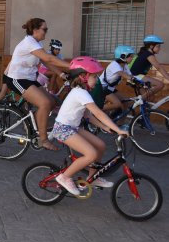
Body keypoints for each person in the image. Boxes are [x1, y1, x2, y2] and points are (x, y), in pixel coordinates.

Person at [49, 56, 129, 195]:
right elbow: (98, 112)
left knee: (100, 145)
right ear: (83, 76)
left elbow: (88, 116)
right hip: (63, 129)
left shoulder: (83, 92)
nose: (97, 79)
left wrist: (105, 127)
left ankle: (92, 177)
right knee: (91, 154)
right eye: (94, 76)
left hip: (73, 127)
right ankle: (64, 177)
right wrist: (118, 129)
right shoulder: (80, 92)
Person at [4, 18, 70, 151]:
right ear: (35, 30)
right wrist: (73, 65)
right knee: (44, 103)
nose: (46, 32)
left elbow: (46, 62)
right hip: (17, 79)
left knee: (52, 102)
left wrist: (61, 74)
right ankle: (43, 140)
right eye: (44, 29)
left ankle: (30, 124)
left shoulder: (36, 43)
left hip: (29, 79)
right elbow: (49, 58)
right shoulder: (29, 42)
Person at [130, 35, 169, 100]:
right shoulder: (148, 54)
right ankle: (138, 100)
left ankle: (140, 104)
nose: (159, 48)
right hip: (136, 76)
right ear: (151, 46)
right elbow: (159, 68)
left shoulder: (146, 53)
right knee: (160, 84)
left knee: (149, 98)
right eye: (158, 46)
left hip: (135, 76)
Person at [100, 45, 135, 115]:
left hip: (110, 88)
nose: (132, 58)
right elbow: (122, 74)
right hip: (102, 87)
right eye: (130, 56)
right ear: (123, 56)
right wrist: (131, 79)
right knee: (117, 104)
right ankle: (96, 109)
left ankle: (120, 124)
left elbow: (130, 75)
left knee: (127, 102)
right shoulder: (114, 65)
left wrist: (142, 82)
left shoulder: (125, 65)